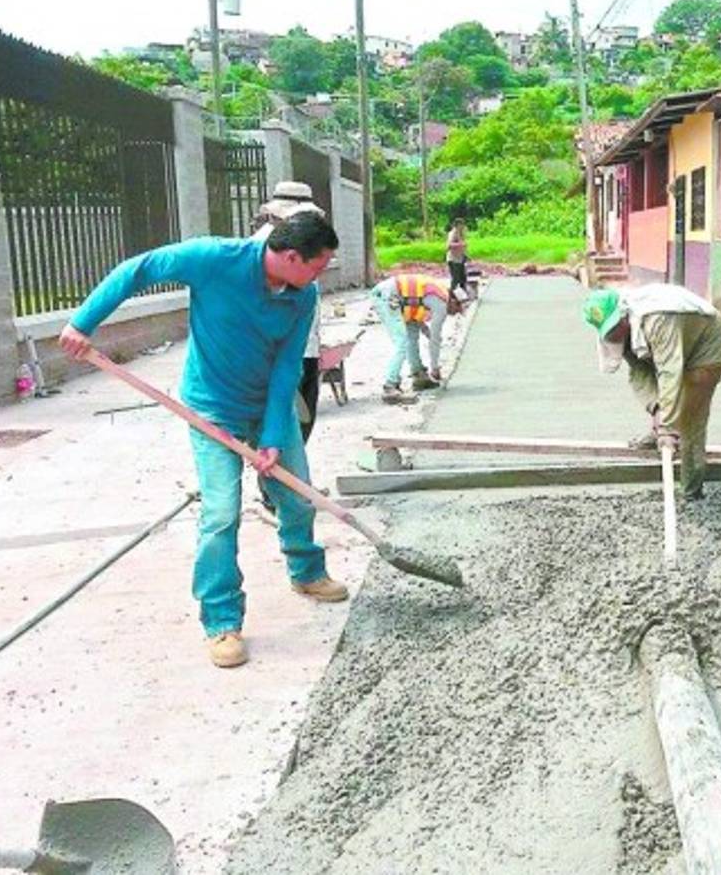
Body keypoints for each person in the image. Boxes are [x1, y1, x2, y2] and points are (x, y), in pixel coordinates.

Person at [58, 212, 350, 669]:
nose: (320, 275)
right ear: (291, 257)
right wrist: (84, 322)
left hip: (265, 405)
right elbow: (139, 269)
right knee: (220, 513)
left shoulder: (302, 296)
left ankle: (307, 571)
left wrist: (273, 433)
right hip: (211, 410)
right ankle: (221, 621)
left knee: (296, 498)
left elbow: (286, 367)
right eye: (317, 265)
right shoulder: (214, 258)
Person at [581, 283, 721, 500]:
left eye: (615, 327)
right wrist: (659, 410)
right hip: (666, 345)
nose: (613, 334)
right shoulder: (620, 323)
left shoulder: (658, 318)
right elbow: (640, 372)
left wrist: (669, 428)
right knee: (640, 376)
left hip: (705, 346)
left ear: (623, 313)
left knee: (690, 416)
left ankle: (691, 490)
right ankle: (660, 425)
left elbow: (670, 372)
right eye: (608, 330)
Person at [251, 183, 326, 513]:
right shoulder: (260, 249)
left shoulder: (308, 244)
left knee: (303, 421)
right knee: (281, 425)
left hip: (305, 348)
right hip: (276, 355)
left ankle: (289, 485)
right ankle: (276, 492)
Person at [369, 273, 463, 404]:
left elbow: (418, 312)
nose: (456, 313)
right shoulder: (441, 303)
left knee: (412, 332)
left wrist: (427, 332)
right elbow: (435, 339)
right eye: (458, 308)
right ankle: (390, 385)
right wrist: (435, 368)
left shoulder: (436, 293)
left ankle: (418, 375)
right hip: (389, 296)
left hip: (396, 297)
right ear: (453, 301)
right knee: (402, 342)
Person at [446, 218, 468, 294]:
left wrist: (465, 254)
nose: (462, 226)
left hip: (460, 258)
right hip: (453, 259)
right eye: (461, 225)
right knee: (455, 279)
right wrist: (461, 244)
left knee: (463, 278)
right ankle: (451, 295)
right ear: (457, 225)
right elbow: (449, 245)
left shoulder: (461, 234)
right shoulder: (452, 233)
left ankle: (463, 295)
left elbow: (463, 246)